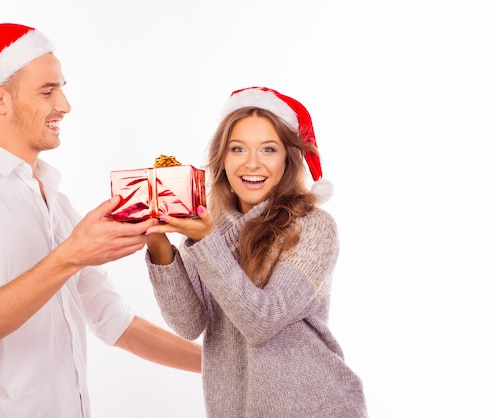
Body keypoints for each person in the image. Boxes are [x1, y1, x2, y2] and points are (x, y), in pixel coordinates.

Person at [0, 23, 201, 418]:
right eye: (48, 90)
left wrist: (222, 367)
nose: (65, 105)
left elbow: (112, 320)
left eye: (62, 88)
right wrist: (71, 254)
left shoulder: (56, 201)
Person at [144, 86, 368, 417]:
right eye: (238, 149)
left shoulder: (314, 227)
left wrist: (205, 240)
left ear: (287, 159)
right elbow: (189, 323)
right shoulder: (211, 227)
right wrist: (157, 240)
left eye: (268, 149)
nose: (252, 163)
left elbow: (263, 320)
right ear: (223, 159)